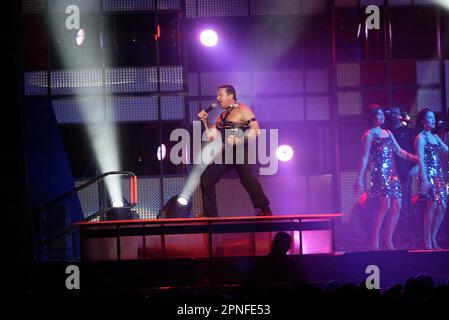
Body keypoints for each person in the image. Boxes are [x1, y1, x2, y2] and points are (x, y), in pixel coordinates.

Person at [197, 85, 271, 217]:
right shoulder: (222, 115)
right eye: (217, 95)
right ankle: (210, 214)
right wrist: (204, 121)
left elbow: (256, 130)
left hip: (242, 150)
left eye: (220, 95)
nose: (217, 98)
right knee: (207, 176)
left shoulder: (243, 109)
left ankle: (264, 209)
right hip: (228, 152)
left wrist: (239, 140)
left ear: (230, 96)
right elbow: (211, 136)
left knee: (247, 178)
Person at [355, 104, 418, 250]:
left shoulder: (388, 133)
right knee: (385, 206)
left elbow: (399, 150)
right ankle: (374, 238)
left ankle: (388, 239)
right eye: (378, 114)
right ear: (372, 118)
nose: (382, 116)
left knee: (397, 206)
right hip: (379, 174)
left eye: (383, 114)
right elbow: (364, 158)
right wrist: (359, 178)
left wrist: (415, 157)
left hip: (392, 173)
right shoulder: (369, 135)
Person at [414, 108, 448, 250]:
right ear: (423, 121)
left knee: (442, 206)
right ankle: (427, 240)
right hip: (427, 175)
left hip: (439, 175)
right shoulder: (420, 138)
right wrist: (425, 180)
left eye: (434, 117)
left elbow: (446, 149)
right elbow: (421, 160)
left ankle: (433, 236)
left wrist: (443, 147)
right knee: (432, 206)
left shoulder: (435, 137)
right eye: (429, 118)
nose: (433, 120)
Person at [384, 105, 416, 248]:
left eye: (397, 113)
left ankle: (406, 241)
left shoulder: (408, 132)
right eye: (392, 113)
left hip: (404, 174)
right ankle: (391, 240)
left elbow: (414, 152)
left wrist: (416, 167)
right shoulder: (387, 132)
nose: (394, 116)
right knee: (389, 208)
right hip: (389, 174)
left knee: (404, 208)